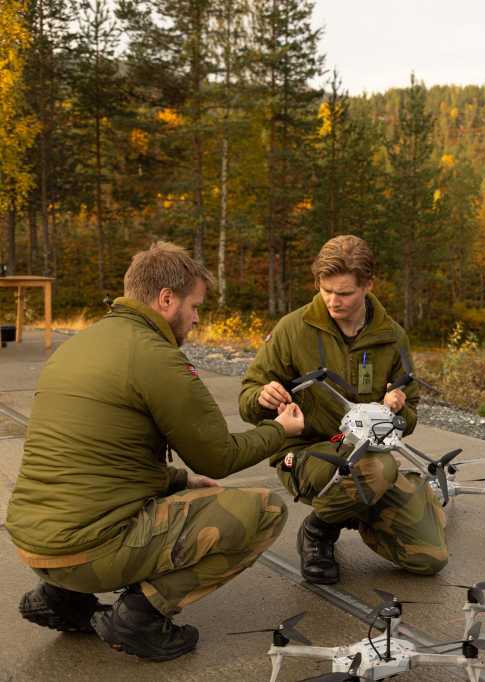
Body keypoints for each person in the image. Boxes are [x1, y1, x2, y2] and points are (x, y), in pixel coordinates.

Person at [6, 242, 305, 662]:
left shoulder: (77, 346)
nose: (198, 318)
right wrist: (280, 430)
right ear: (167, 299)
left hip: (33, 540)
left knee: (132, 501)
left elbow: (105, 457)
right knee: (264, 511)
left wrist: (181, 480)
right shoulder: (158, 358)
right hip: (88, 548)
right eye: (195, 305)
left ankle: (63, 599)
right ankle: (140, 617)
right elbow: (218, 457)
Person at [238, 234, 447, 585]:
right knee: (378, 469)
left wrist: (396, 411)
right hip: (305, 455)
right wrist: (263, 397)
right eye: (326, 290)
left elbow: (409, 416)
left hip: (368, 454)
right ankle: (319, 531)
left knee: (430, 558)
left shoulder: (392, 337)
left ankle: (362, 503)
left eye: (345, 293)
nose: (333, 301)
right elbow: (247, 401)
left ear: (368, 285)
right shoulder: (293, 329)